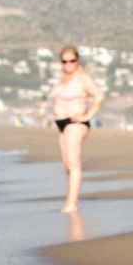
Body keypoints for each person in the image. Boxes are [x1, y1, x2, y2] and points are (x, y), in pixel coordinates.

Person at [48, 46, 104, 213]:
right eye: (64, 61)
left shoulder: (82, 78)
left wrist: (87, 116)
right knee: (67, 165)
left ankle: (71, 204)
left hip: (76, 122)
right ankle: (71, 198)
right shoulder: (61, 78)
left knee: (73, 163)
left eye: (72, 60)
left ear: (77, 60)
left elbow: (99, 96)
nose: (68, 64)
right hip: (62, 124)